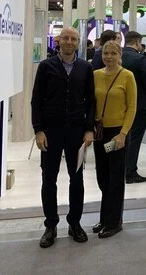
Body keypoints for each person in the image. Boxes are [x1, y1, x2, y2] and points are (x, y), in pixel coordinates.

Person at [30, 27, 96, 248]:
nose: (69, 42)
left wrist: (89, 129)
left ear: (78, 42)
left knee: (76, 179)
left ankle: (74, 223)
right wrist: (38, 130)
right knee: (49, 179)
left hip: (76, 132)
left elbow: (91, 101)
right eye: (66, 38)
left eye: (73, 39)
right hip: (51, 131)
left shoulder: (85, 68)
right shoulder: (46, 66)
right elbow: (36, 100)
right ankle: (51, 225)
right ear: (59, 41)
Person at [92, 40, 137, 238]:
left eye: (113, 53)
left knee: (115, 178)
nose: (109, 57)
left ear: (120, 56)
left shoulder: (127, 76)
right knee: (102, 177)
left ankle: (114, 221)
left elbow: (132, 107)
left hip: (117, 134)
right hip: (100, 133)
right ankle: (104, 217)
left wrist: (123, 134)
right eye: (105, 53)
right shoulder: (95, 75)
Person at [121, 31, 146, 184]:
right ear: (137, 42)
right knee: (134, 139)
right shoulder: (140, 59)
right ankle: (130, 172)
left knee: (121, 137)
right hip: (138, 105)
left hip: (119, 105)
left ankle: (119, 169)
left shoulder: (117, 56)